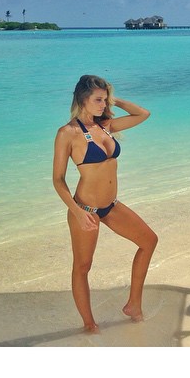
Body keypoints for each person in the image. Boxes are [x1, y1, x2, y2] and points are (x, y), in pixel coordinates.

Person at [52, 74, 158, 333]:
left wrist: (114, 100)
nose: (103, 104)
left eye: (105, 100)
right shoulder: (67, 133)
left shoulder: (106, 126)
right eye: (98, 100)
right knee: (82, 266)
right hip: (85, 210)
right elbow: (58, 180)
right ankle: (89, 324)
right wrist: (77, 212)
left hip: (111, 206)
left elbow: (143, 114)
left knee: (149, 241)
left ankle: (133, 304)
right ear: (82, 99)